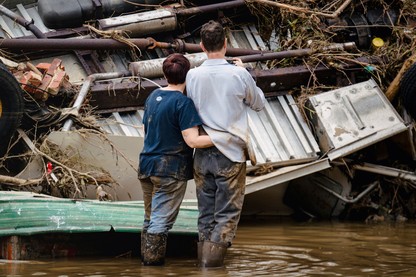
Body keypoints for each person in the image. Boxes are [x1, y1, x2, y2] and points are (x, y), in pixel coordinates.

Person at [186, 20, 266, 267]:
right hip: (230, 154)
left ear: (201, 46)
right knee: (227, 213)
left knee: (206, 213)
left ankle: (203, 265)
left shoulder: (192, 75)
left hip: (201, 153)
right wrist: (246, 72)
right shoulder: (239, 74)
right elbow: (259, 104)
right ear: (226, 44)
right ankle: (212, 268)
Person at [138, 53, 213, 266]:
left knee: (150, 218)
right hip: (169, 170)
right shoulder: (183, 103)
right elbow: (192, 140)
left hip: (146, 166)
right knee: (160, 221)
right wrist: (223, 137)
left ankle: (145, 262)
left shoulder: (153, 96)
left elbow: (146, 129)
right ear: (187, 75)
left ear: (164, 74)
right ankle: (152, 267)